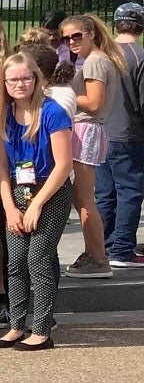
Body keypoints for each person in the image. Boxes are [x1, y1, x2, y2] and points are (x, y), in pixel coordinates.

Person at [0, 52, 74, 351]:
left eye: (26, 78)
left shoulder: (53, 112)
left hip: (49, 190)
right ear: (4, 82)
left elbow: (64, 165)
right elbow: (1, 166)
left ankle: (40, 329)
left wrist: (38, 204)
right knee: (14, 261)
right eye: (13, 79)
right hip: (18, 189)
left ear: (36, 79)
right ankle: (16, 324)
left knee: (38, 259)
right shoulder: (3, 114)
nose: (20, 84)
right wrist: (9, 207)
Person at [58, 14, 116, 278]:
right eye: (66, 38)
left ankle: (98, 256)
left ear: (91, 33)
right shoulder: (92, 60)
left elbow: (94, 102)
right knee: (80, 197)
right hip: (87, 128)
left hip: (87, 127)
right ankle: (93, 252)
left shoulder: (95, 61)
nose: (71, 42)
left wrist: (62, 95)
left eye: (76, 36)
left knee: (83, 198)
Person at [100, 3, 144, 267]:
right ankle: (122, 248)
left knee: (105, 192)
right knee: (130, 190)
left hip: (102, 130)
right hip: (129, 132)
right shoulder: (138, 56)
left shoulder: (102, 54)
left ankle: (104, 244)